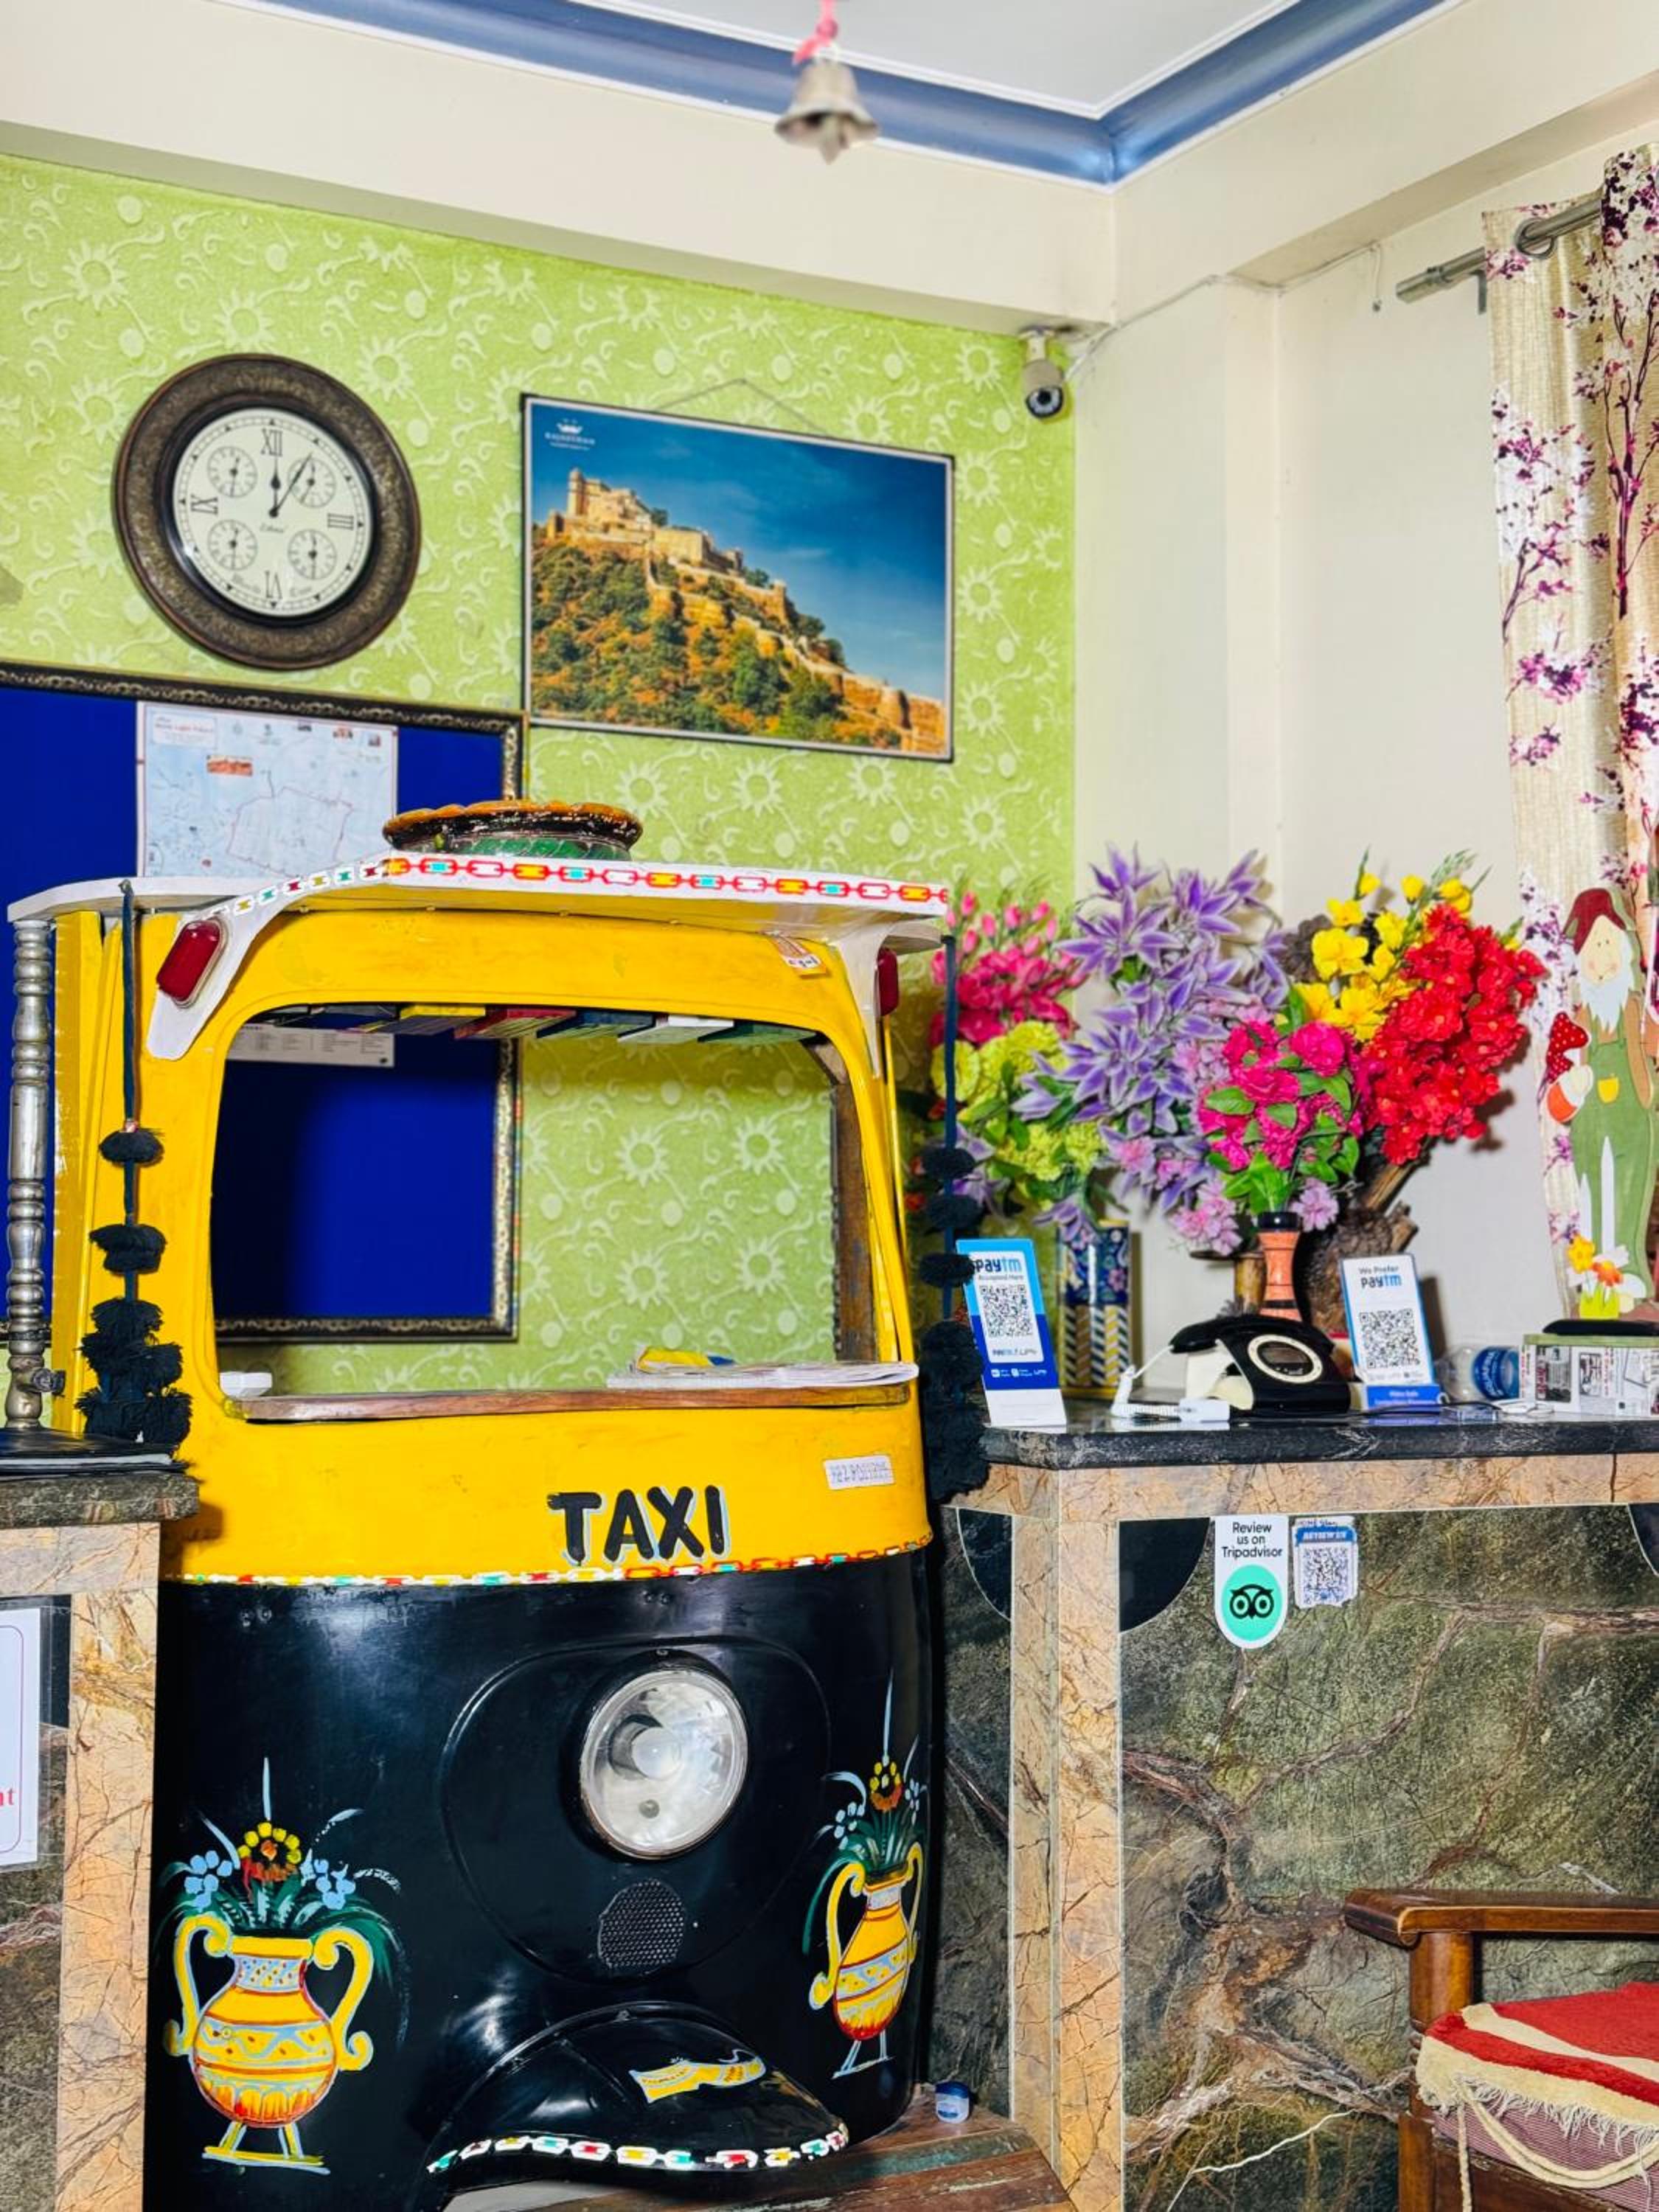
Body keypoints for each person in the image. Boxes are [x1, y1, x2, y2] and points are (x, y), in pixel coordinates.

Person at [1547, 886, 1659, 1309]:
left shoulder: (1640, 1014)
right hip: (1591, 1129)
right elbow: (1558, 1097)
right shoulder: (1577, 1026)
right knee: (1594, 1199)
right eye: (1592, 949)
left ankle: (1628, 1275)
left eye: (1608, 943)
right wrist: (1570, 1088)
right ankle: (1598, 1279)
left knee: (1628, 1197)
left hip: (1635, 1123)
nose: (1601, 959)